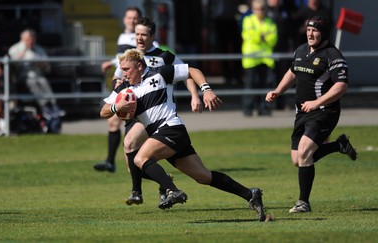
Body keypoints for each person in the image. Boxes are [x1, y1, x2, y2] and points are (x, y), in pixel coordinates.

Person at [100, 48, 267, 222]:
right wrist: (115, 107)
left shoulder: (161, 73)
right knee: (203, 176)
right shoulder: (125, 89)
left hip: (171, 128)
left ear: (140, 66)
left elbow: (192, 71)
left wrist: (206, 89)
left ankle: (173, 191)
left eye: (127, 69)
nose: (123, 73)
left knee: (139, 158)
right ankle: (250, 194)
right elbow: (103, 111)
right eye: (122, 69)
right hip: (162, 135)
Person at [265, 16, 358, 213]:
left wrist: (317, 103)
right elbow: (292, 72)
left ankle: (303, 203)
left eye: (315, 31)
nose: (310, 34)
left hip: (324, 112)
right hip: (302, 113)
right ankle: (338, 145)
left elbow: (341, 86)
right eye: (308, 30)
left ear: (324, 33)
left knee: (305, 152)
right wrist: (278, 91)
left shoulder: (333, 55)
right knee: (297, 159)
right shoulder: (300, 50)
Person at [113, 17, 203, 205]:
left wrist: (195, 95)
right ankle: (161, 182)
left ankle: (139, 192)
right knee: (134, 165)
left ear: (152, 36)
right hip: (135, 108)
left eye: (143, 34)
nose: (139, 38)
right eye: (136, 34)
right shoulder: (129, 57)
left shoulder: (165, 56)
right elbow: (117, 79)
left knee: (131, 145)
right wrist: (119, 95)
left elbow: (186, 73)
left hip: (156, 110)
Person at [93, 7, 144, 173]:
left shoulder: (140, 39)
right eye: (129, 17)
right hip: (119, 81)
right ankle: (112, 161)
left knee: (122, 121)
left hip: (129, 83)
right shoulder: (123, 36)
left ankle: (139, 162)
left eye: (135, 18)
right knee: (113, 121)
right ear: (124, 19)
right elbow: (122, 58)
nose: (132, 20)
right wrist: (112, 62)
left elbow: (136, 59)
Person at [8, 29, 64, 120]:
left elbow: (47, 68)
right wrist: (19, 59)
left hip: (38, 75)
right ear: (22, 39)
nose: (30, 42)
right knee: (32, 82)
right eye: (28, 40)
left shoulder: (39, 50)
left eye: (32, 39)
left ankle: (53, 105)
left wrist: (41, 64)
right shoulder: (14, 49)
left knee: (43, 81)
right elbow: (11, 68)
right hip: (22, 78)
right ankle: (45, 106)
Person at [241, 0, 277, 116]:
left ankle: (264, 108)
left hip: (266, 58)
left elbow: (273, 38)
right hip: (251, 58)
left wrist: (260, 36)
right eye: (257, 9)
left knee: (265, 84)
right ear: (253, 9)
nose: (259, 11)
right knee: (250, 84)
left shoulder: (269, 21)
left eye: (261, 9)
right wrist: (263, 36)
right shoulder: (248, 20)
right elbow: (248, 35)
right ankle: (248, 109)